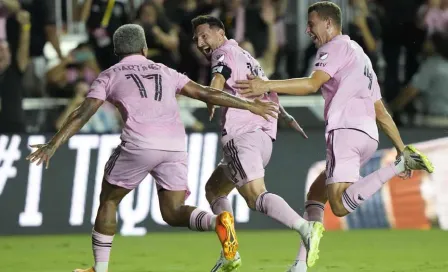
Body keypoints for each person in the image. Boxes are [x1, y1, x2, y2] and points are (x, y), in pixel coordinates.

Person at [25, 24, 280, 272]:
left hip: (140, 144)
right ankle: (217, 221)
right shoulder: (165, 71)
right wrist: (249, 105)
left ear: (116, 51)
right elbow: (205, 93)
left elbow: (83, 112)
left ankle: (99, 268)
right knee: (173, 212)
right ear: (145, 48)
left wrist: (53, 143)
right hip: (174, 146)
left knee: (109, 200)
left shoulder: (110, 74)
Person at [231, 2, 435, 272]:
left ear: (328, 23)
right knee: (316, 196)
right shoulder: (361, 57)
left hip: (346, 131)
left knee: (338, 205)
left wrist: (265, 84)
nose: (308, 30)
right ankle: (299, 265)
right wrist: (401, 147)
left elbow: (311, 84)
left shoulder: (334, 48)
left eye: (312, 24)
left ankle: (398, 168)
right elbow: (381, 111)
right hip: (366, 136)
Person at [191, 15, 322, 272]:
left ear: (220, 33)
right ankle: (230, 252)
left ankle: (306, 229)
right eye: (196, 38)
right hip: (261, 137)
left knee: (255, 197)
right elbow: (265, 90)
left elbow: (219, 78)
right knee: (214, 189)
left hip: (242, 136)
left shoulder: (222, 54)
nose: (200, 42)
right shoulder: (247, 56)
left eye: (204, 35)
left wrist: (211, 95)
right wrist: (285, 116)